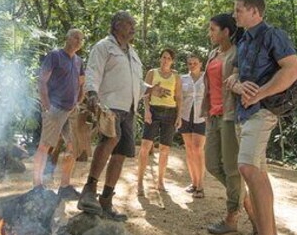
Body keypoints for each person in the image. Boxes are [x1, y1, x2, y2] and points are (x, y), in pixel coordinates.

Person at [227, 0, 297, 235]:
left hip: (262, 112)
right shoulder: (242, 39)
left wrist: (260, 93)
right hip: (244, 113)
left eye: (239, 10)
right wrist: (238, 87)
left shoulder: (274, 35)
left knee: (247, 167)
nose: (235, 15)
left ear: (255, 11)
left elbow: (292, 70)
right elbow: (233, 77)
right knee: (258, 171)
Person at [78, 12, 163, 220]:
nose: (133, 27)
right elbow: (93, 72)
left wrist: (150, 89)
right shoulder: (104, 47)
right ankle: (88, 191)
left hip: (130, 108)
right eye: (129, 24)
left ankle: (106, 200)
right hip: (110, 105)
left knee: (121, 154)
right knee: (109, 140)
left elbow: (134, 82)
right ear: (117, 26)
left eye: (134, 24)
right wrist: (91, 94)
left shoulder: (132, 52)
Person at [202, 14, 257, 234]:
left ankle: (232, 216)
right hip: (212, 115)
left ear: (226, 32)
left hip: (229, 115)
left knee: (232, 169)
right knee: (212, 164)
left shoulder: (237, 53)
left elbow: (240, 82)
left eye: (213, 29)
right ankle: (245, 200)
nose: (210, 33)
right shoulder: (213, 53)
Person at [32, 29, 85, 200]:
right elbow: (42, 80)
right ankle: (37, 186)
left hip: (71, 110)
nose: (78, 40)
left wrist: (78, 102)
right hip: (54, 108)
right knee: (45, 146)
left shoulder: (78, 61)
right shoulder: (54, 56)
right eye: (75, 37)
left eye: (81, 39)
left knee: (72, 147)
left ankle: (65, 186)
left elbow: (82, 83)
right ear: (67, 38)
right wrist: (47, 106)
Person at [137, 49, 182, 196]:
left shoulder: (176, 76)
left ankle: (160, 181)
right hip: (154, 111)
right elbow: (145, 92)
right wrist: (147, 111)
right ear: (160, 58)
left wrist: (179, 116)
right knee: (145, 147)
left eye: (169, 58)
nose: (165, 60)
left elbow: (179, 97)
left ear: (172, 61)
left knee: (164, 149)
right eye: (163, 57)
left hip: (170, 112)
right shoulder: (152, 73)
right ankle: (140, 183)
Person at [179, 53, 206, 198]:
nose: (192, 65)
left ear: (201, 64)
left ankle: (201, 186)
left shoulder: (206, 77)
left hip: (201, 117)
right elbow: (179, 98)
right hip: (185, 115)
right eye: (190, 63)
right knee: (189, 149)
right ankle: (194, 182)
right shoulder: (182, 79)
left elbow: (211, 95)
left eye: (195, 63)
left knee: (198, 149)